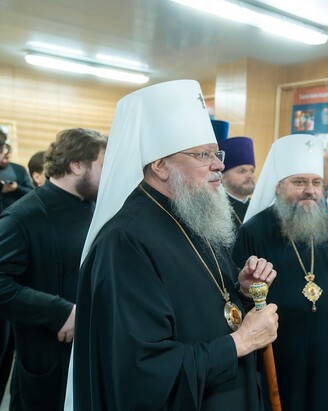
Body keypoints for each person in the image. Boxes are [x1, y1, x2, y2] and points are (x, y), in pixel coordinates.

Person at [70, 80, 278, 410]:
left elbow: (205, 305)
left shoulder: (193, 211)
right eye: (203, 155)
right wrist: (240, 342)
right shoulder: (125, 242)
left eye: (217, 153)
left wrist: (239, 289)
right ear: (160, 165)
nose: (219, 165)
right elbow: (142, 368)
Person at [233, 134, 328, 411]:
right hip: (281, 364)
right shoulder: (253, 233)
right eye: (300, 182)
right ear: (279, 186)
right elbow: (240, 304)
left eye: (316, 182)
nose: (311, 190)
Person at [0, 128, 107, 410]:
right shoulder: (23, 216)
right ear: (76, 165)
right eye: (103, 166)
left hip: (89, 351)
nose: (109, 176)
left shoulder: (96, 208)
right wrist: (59, 311)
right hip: (47, 359)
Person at [218, 136, 256, 225]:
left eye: (252, 171)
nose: (250, 176)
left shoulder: (257, 208)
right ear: (223, 176)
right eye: (242, 171)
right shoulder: (217, 211)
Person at [0, 132, 34, 211]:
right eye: (2, 157)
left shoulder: (19, 170)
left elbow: (31, 193)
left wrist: (17, 187)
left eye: (7, 158)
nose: (4, 160)